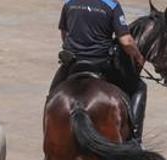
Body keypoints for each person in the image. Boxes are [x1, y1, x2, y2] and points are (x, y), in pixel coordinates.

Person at [49, 0, 149, 142]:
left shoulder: (69, 3)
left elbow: (65, 33)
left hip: (73, 63)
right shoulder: (111, 5)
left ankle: (49, 134)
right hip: (101, 63)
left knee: (52, 96)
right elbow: (126, 41)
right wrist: (138, 56)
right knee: (139, 87)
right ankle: (135, 139)